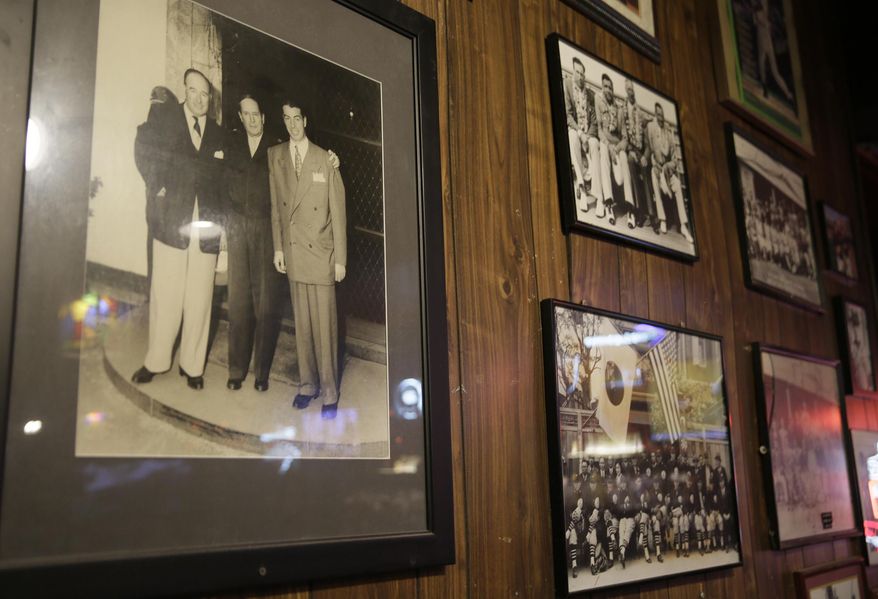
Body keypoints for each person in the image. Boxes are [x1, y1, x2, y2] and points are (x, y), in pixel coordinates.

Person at [131, 68, 224, 390]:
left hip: (206, 229)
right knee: (166, 296)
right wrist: (157, 188)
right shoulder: (166, 119)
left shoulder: (218, 131)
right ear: (185, 89)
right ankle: (155, 361)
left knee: (200, 300)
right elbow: (143, 148)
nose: (199, 99)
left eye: (205, 94)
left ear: (210, 98)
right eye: (193, 91)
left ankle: (193, 366)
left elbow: (224, 181)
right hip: (171, 224)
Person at [269, 101, 347, 419]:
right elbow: (276, 207)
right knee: (302, 325)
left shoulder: (325, 158)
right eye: (286, 119)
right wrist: (278, 249)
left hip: (322, 253)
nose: (292, 124)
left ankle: (329, 392)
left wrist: (340, 259)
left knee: (325, 326)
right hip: (294, 251)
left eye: (297, 118)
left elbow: (339, 213)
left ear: (306, 119)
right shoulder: (275, 157)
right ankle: (307, 385)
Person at [223, 95, 287, 392]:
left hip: (265, 228)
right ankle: (236, 369)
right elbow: (221, 187)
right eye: (245, 114)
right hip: (237, 227)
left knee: (266, 303)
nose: (251, 119)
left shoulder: (275, 150)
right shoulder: (233, 147)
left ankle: (261, 372)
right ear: (240, 117)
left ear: (263, 117)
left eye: (255, 114)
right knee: (238, 301)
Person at [645, 102, 694, 243]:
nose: (660, 118)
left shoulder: (669, 133)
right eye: (658, 115)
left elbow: (675, 161)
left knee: (678, 185)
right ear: (655, 115)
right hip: (657, 170)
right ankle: (662, 219)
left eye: (662, 115)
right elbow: (650, 150)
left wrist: (667, 167)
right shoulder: (651, 129)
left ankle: (684, 226)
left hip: (668, 173)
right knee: (654, 178)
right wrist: (655, 164)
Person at [563, 57, 601, 215]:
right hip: (576, 130)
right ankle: (582, 190)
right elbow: (568, 114)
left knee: (594, 145)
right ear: (573, 72)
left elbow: (594, 122)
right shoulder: (567, 86)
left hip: (588, 133)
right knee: (571, 137)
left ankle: (600, 198)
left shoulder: (590, 95)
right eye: (577, 72)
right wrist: (579, 132)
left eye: (582, 73)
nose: (580, 76)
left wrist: (587, 135)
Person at [595, 73, 633, 225]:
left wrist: (617, 149)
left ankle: (630, 208)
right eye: (605, 86)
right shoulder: (599, 101)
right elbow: (598, 128)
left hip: (617, 149)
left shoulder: (619, 109)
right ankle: (608, 203)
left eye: (610, 87)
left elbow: (625, 137)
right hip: (606, 145)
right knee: (603, 151)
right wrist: (607, 145)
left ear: (613, 90)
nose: (608, 90)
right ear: (602, 87)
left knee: (624, 157)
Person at [622, 79, 651, 229]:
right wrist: (630, 151)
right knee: (630, 162)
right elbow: (623, 136)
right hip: (631, 151)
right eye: (628, 89)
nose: (630, 92)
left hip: (641, 152)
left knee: (646, 167)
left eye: (632, 89)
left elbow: (646, 140)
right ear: (625, 91)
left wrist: (645, 156)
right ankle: (637, 210)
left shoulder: (640, 113)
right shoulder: (623, 110)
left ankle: (649, 213)